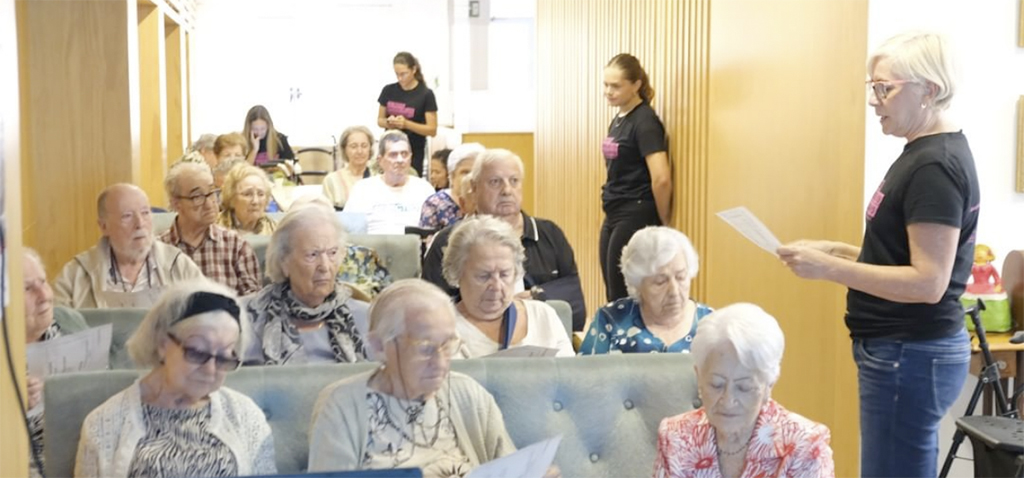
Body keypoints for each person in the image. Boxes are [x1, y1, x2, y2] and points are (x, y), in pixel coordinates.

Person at [776, 31, 977, 477]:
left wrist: (829, 268)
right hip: (903, 349)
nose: (874, 100)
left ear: (930, 89)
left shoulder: (934, 166)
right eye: (873, 87)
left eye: (885, 88)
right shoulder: (922, 154)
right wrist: (837, 250)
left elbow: (928, 282)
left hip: (909, 349)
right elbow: (899, 256)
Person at [308, 279, 517, 476]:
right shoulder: (342, 406)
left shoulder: (468, 395)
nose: (441, 362)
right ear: (380, 346)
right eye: (425, 349)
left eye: (448, 345)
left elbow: (513, 470)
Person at [73, 280, 276, 477]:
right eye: (197, 352)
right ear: (162, 343)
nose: (210, 369)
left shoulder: (247, 417)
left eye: (224, 357)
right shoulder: (103, 424)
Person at [653, 303, 834, 478]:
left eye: (744, 387)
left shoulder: (804, 445)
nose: (728, 400)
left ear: (769, 384)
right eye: (716, 384)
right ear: (699, 376)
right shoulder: (677, 437)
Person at [423, 149, 587, 331]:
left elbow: (577, 311)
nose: (507, 190)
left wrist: (537, 296)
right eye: (495, 182)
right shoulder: (449, 241)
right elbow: (430, 312)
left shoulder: (549, 234)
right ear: (474, 188)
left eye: (514, 181)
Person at [243, 205, 368, 365]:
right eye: (312, 255)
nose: (325, 266)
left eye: (332, 253)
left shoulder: (366, 318)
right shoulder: (247, 318)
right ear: (284, 261)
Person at [441, 216, 574, 357]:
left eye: (504, 274)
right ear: (457, 274)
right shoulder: (441, 330)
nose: (497, 286)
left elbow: (571, 376)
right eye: (484, 276)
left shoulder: (543, 316)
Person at [54, 183, 203, 308]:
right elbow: (54, 327)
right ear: (104, 226)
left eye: (145, 213)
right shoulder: (77, 274)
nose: (140, 224)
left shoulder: (177, 265)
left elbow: (207, 315)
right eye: (127, 216)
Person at [600, 53, 673, 304]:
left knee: (621, 293)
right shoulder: (619, 119)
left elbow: (661, 177)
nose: (608, 91)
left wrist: (664, 219)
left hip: (636, 210)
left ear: (636, 85)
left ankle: (627, 343)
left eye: (616, 86)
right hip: (614, 209)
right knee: (612, 289)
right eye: (606, 85)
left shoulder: (645, 122)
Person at [580, 226, 712, 354]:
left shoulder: (711, 325)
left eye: (681, 277)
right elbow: (583, 374)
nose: (674, 291)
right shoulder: (610, 320)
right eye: (660, 282)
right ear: (637, 284)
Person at [23, 248, 89, 478]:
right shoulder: (6, 359)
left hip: (84, 455)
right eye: (28, 288)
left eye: (43, 282)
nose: (44, 295)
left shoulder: (70, 324)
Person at [159, 161, 261, 296]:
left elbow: (254, 305)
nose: (209, 204)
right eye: (197, 197)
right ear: (176, 204)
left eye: (212, 192)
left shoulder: (236, 246)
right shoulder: (158, 251)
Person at [344, 130, 435, 234]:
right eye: (393, 155)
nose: (400, 160)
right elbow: (349, 232)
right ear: (380, 160)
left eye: (404, 154)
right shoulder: (362, 189)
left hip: (414, 247)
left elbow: (433, 232)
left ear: (410, 158)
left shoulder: (424, 189)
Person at [376, 51, 438, 176]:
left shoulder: (425, 94)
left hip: (414, 149)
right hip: (389, 147)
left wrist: (406, 124)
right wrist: (390, 123)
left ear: (413, 70)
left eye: (403, 74)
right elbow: (380, 120)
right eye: (397, 74)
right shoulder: (388, 90)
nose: (400, 78)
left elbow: (432, 129)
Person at [419, 142, 484, 231]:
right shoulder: (434, 204)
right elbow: (427, 242)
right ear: (452, 176)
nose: (471, 177)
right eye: (465, 172)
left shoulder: (489, 201)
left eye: (476, 172)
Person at [323, 126, 376, 209]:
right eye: (353, 146)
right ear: (344, 149)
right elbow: (326, 215)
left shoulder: (378, 177)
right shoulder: (332, 180)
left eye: (364, 146)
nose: (359, 151)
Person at [217, 163, 277, 235]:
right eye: (247, 194)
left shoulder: (276, 230)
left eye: (261, 194)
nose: (255, 201)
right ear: (232, 198)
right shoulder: (214, 228)